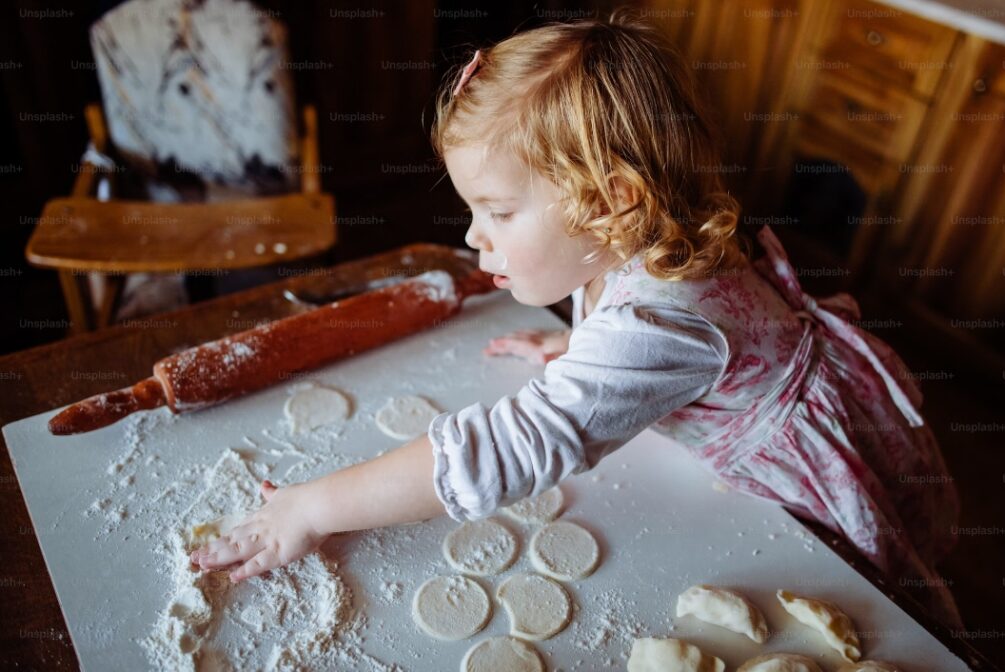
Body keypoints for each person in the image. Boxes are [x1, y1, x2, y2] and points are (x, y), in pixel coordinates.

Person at [192, 12, 961, 627]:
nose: (471, 235)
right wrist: (581, 347)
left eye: (496, 210)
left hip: (797, 474)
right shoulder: (646, 237)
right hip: (785, 388)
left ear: (611, 202)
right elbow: (667, 340)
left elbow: (520, 443)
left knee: (879, 617)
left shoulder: (663, 320)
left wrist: (316, 504)